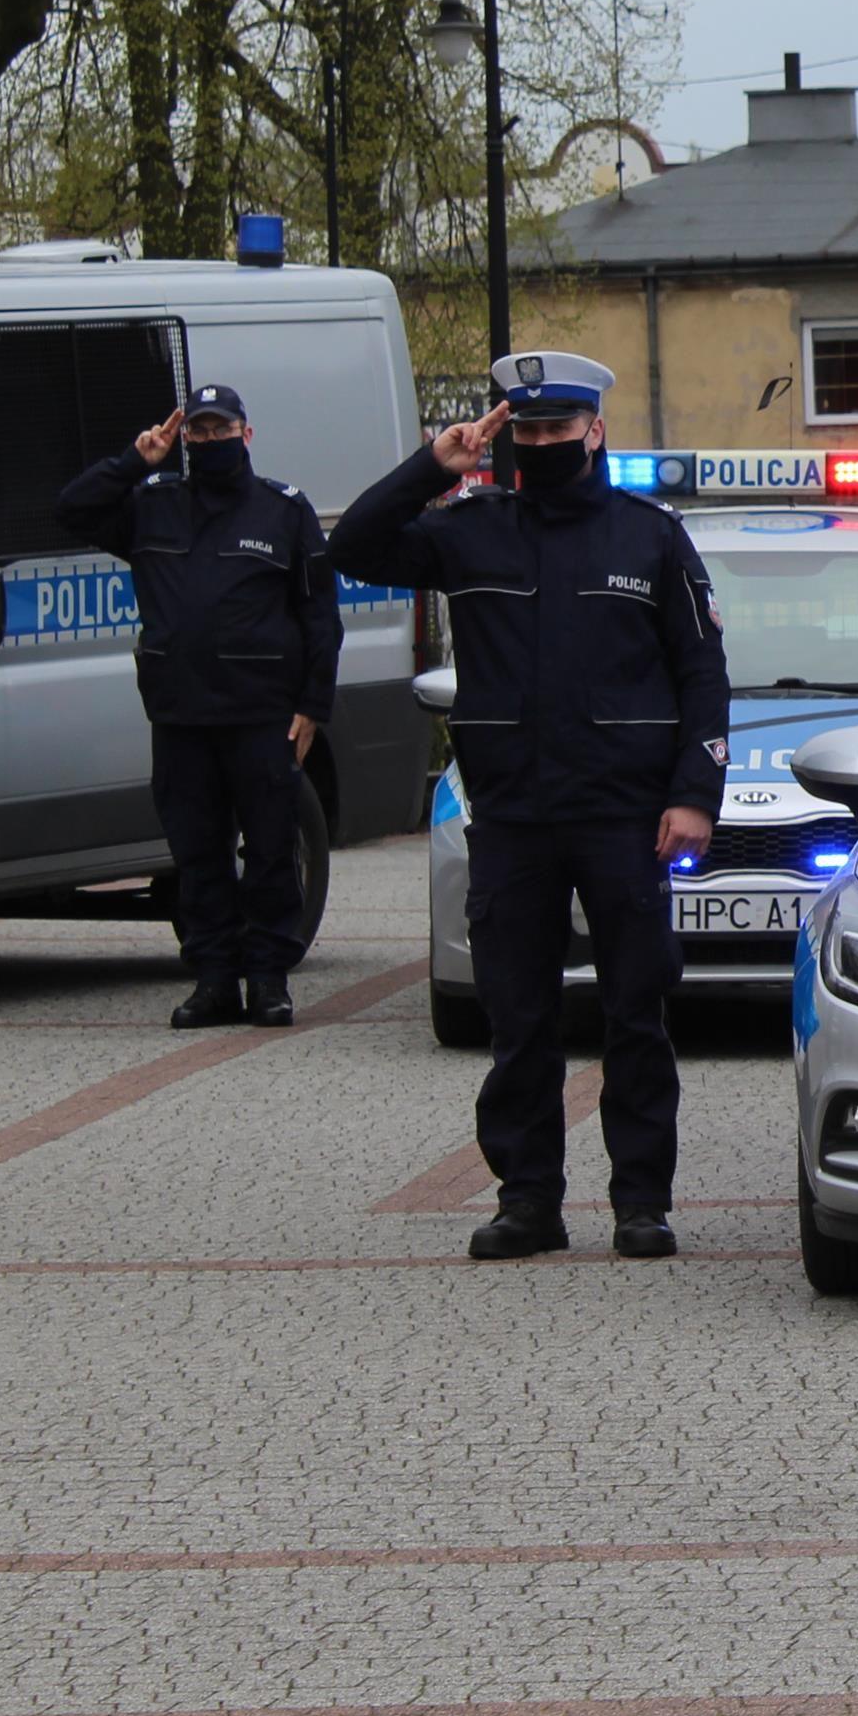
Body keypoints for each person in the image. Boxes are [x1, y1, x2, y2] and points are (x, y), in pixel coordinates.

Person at [331, 352, 729, 1263]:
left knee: (635, 1014)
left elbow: (702, 673)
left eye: (560, 428)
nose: (545, 443)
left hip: (624, 815)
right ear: (510, 438)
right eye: (530, 430)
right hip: (513, 815)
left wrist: (693, 795)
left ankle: (641, 1202)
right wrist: (437, 464)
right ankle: (528, 1200)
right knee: (519, 1021)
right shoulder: (470, 531)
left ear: (595, 430)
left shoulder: (651, 537)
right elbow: (350, 547)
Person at [53, 384, 341, 1030]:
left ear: (247, 433)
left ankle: (268, 978)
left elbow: (320, 615)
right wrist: (135, 459)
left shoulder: (282, 511)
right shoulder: (153, 506)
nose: (210, 441)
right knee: (197, 854)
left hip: (263, 716)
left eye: (221, 429)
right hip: (181, 716)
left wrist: (313, 704)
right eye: (199, 433)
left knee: (269, 852)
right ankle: (214, 979)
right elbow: (71, 509)